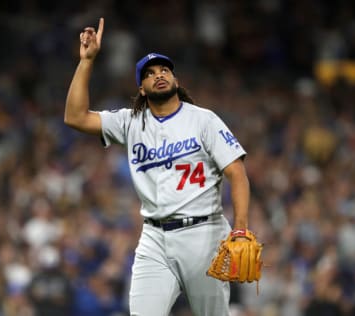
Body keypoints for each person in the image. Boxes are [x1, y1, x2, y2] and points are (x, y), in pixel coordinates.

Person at [64, 18, 251, 316]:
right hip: (154, 238)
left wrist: (240, 228)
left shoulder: (203, 120)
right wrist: (87, 61)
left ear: (175, 80)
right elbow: (75, 117)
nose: (159, 75)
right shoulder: (130, 122)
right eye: (150, 73)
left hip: (203, 233)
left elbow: (237, 173)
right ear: (141, 89)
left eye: (164, 70)